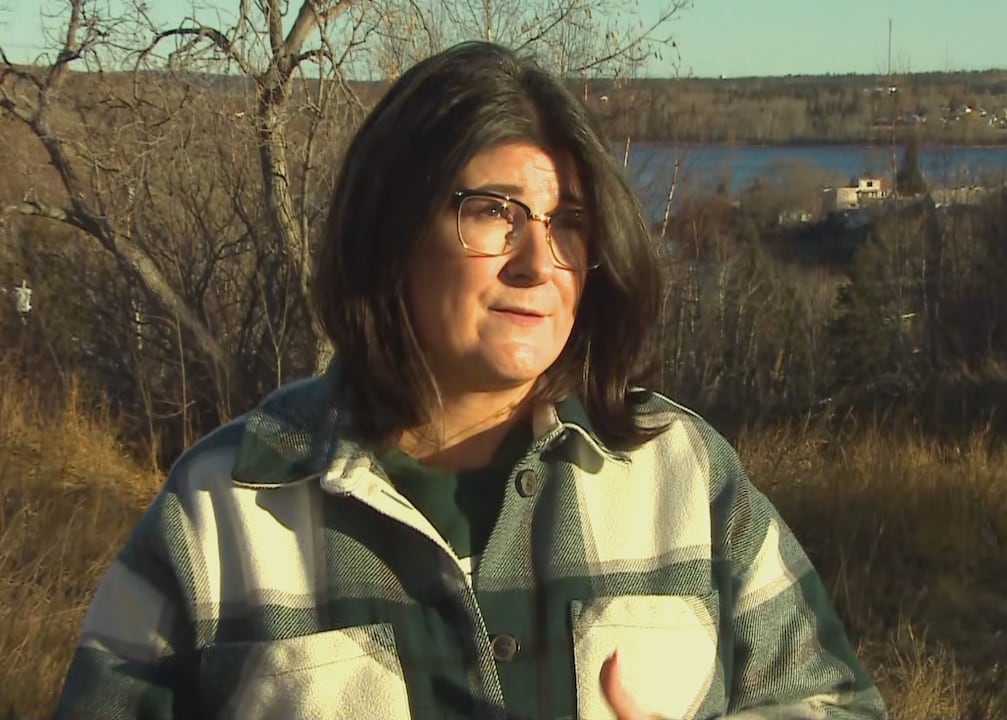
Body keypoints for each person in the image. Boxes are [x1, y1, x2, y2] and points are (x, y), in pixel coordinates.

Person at [54, 41, 887, 720]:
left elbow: (832, 703)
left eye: (568, 223)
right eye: (493, 212)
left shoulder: (682, 475)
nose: (539, 262)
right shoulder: (223, 508)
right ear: (392, 229)